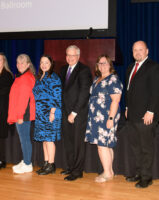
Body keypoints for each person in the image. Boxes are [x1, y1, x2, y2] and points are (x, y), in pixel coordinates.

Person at [125, 41, 159, 188]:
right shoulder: (130, 68)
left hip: (146, 116)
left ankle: (146, 178)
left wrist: (151, 111)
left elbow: (157, 91)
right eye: (135, 50)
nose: (138, 52)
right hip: (132, 115)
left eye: (141, 50)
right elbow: (129, 91)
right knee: (136, 147)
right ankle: (139, 173)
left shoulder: (154, 67)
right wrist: (127, 107)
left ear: (147, 51)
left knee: (146, 147)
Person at [85, 55, 123, 182]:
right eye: (100, 63)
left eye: (105, 63)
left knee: (102, 145)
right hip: (96, 117)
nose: (102, 65)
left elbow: (116, 100)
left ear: (110, 65)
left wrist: (111, 118)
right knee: (106, 145)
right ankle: (110, 171)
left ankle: (107, 173)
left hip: (106, 116)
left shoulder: (113, 79)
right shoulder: (97, 78)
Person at [60, 45, 92, 181]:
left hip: (77, 114)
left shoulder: (84, 70)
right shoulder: (62, 69)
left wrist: (74, 112)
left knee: (78, 143)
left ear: (78, 56)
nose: (70, 58)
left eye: (73, 55)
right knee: (68, 142)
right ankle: (71, 167)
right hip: (65, 112)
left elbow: (84, 93)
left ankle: (78, 171)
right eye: (68, 55)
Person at [33, 55, 62, 175]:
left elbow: (57, 96)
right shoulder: (40, 77)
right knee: (44, 140)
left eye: (46, 62)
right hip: (40, 113)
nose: (43, 65)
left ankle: (51, 164)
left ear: (51, 64)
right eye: (41, 63)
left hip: (51, 112)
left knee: (49, 140)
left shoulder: (54, 77)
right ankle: (46, 163)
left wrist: (52, 113)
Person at [7, 54, 36, 174]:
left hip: (23, 115)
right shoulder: (21, 76)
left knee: (25, 140)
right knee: (23, 139)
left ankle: (28, 164)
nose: (19, 65)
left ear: (28, 64)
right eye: (18, 63)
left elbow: (23, 99)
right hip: (21, 114)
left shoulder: (26, 78)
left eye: (22, 63)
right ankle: (25, 161)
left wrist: (19, 116)